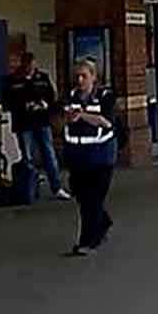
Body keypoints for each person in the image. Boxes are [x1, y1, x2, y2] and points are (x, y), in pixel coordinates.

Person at [61, 60, 118, 256]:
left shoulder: (105, 96)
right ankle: (103, 222)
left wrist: (82, 115)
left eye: (84, 76)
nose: (80, 80)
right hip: (78, 157)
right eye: (77, 76)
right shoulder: (70, 96)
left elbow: (107, 122)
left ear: (94, 77)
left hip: (101, 157)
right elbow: (59, 116)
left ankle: (87, 241)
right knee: (82, 197)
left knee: (91, 201)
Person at [2, 50, 69, 201]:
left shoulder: (42, 78)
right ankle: (30, 188)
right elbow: (7, 101)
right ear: (23, 64)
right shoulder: (12, 81)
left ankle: (57, 187)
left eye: (32, 65)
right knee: (27, 156)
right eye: (27, 65)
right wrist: (24, 105)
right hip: (23, 123)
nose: (30, 68)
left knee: (49, 154)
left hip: (42, 121)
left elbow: (52, 97)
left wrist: (44, 104)